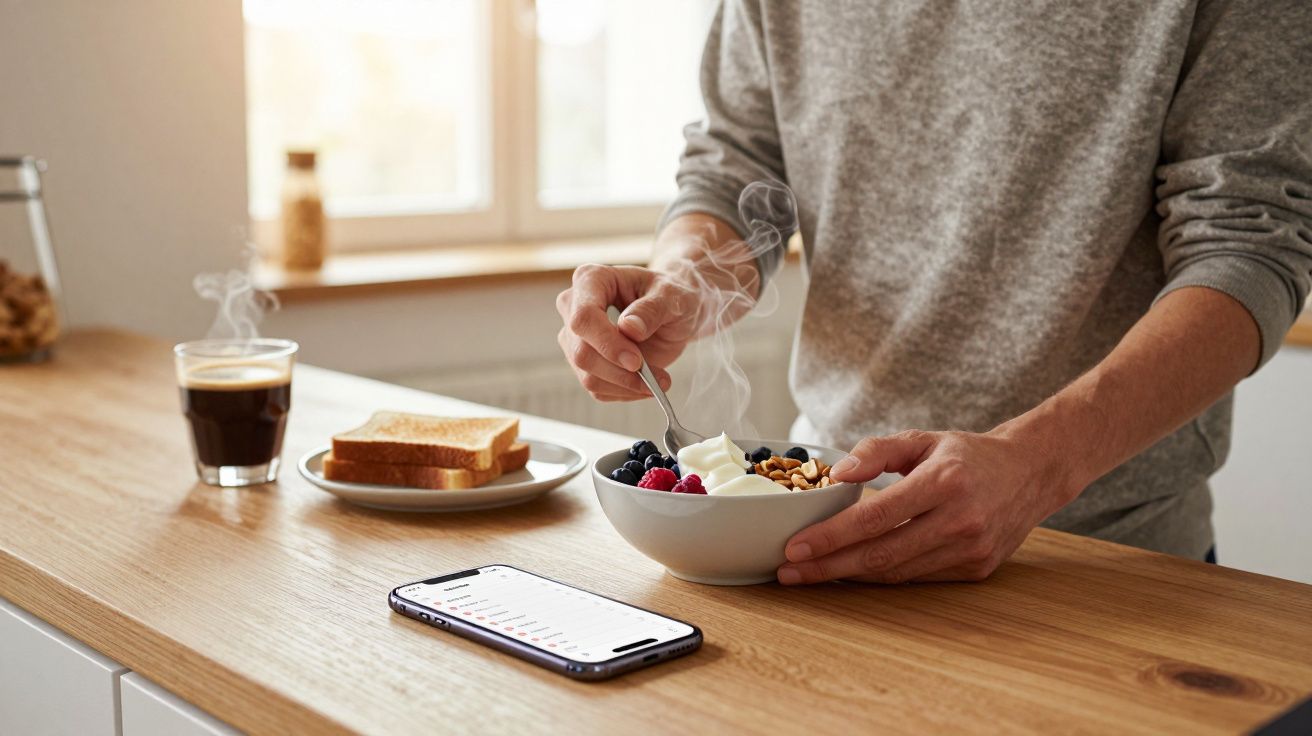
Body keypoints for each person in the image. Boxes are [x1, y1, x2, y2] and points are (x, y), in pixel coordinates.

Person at [555, 0, 1312, 584]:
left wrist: (1038, 465)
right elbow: (737, 167)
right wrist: (686, 281)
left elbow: (1248, 247)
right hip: (823, 529)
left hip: (1103, 561)